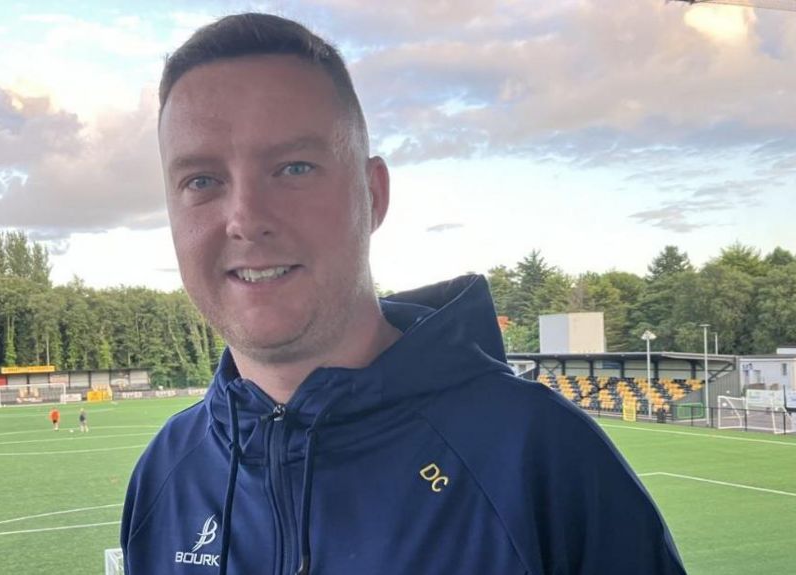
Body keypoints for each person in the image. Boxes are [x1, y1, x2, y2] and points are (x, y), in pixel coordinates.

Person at [120, 13, 686, 575]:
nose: (245, 219)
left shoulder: (540, 459)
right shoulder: (165, 473)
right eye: (201, 181)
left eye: (293, 167)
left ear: (373, 194)